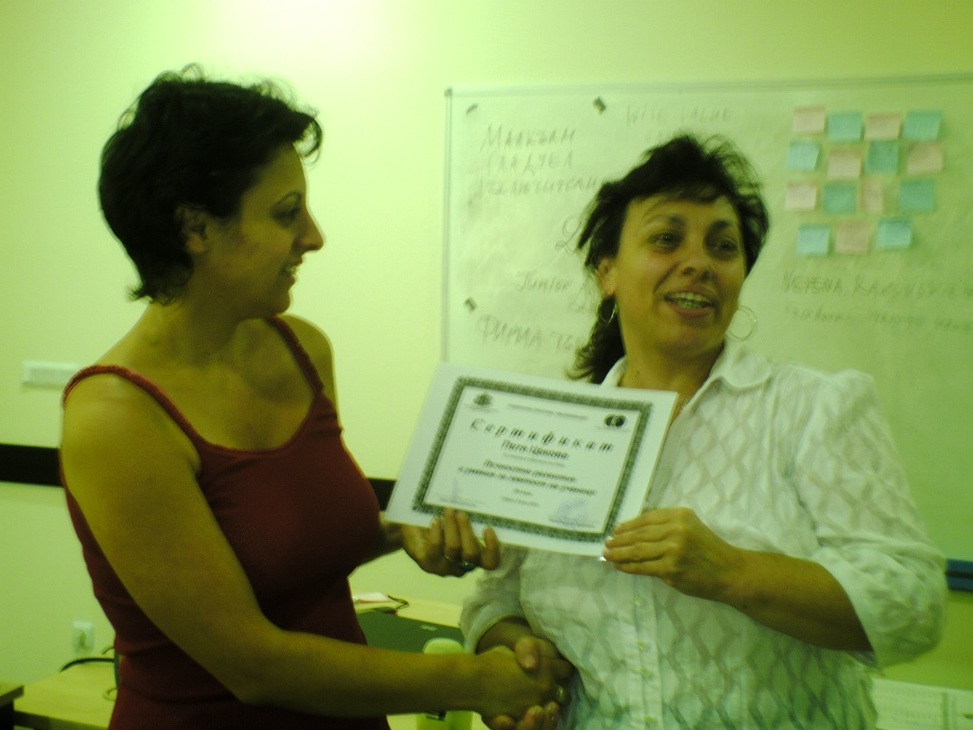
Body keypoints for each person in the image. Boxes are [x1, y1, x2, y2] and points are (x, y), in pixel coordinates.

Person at [59, 66, 571, 730]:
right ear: (195, 228)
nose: (314, 236)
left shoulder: (299, 349)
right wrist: (476, 681)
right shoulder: (114, 418)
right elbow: (253, 665)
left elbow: (288, 546)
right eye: (285, 213)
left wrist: (403, 531)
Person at [461, 134, 947, 728]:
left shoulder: (813, 409)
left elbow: (913, 604)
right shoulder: (551, 430)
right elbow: (495, 601)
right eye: (667, 239)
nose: (699, 263)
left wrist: (734, 572)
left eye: (723, 246)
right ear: (607, 272)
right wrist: (519, 655)